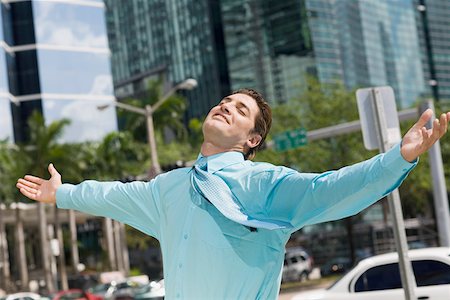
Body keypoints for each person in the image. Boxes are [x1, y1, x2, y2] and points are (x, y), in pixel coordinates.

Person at [17, 88, 450, 299]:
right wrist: (66, 193)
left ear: (252, 140)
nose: (226, 106)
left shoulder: (262, 185)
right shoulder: (167, 189)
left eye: (240, 110)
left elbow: (329, 189)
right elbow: (111, 195)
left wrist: (397, 159)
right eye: (225, 101)